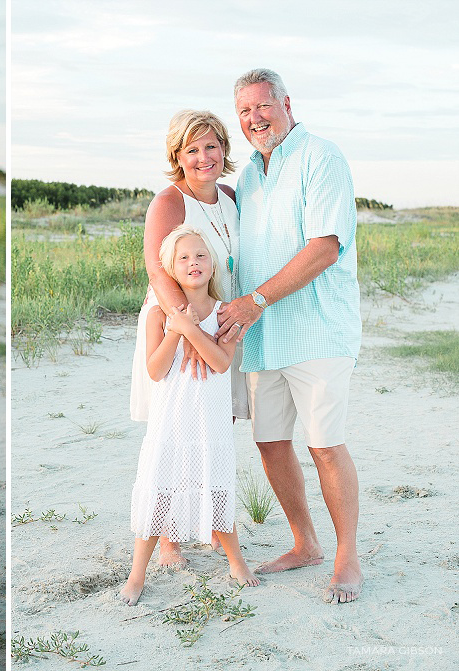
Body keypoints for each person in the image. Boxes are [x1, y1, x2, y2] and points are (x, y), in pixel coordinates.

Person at [216, 68, 363, 604]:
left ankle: (347, 556)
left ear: (285, 103)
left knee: (324, 445)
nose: (254, 119)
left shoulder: (321, 157)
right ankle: (306, 543)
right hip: (262, 338)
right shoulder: (251, 175)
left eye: (262, 107)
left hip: (317, 329)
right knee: (271, 444)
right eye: (244, 113)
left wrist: (255, 300)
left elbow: (325, 246)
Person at [130, 109, 248, 566]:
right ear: (177, 155)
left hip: (220, 317)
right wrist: (188, 328)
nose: (204, 157)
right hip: (178, 323)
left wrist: (217, 326)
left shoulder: (232, 197)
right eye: (192, 149)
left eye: (211, 146)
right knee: (176, 429)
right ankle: (169, 538)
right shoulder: (169, 200)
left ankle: (211, 520)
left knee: (216, 422)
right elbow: (159, 271)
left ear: (224, 149)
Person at [120, 226, 259, 606]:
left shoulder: (224, 313)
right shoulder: (157, 315)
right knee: (159, 488)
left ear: (213, 265)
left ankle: (236, 561)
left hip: (210, 421)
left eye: (200, 255)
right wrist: (175, 329)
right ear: (171, 269)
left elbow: (219, 362)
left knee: (216, 487)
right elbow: (155, 369)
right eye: (183, 258)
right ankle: (137, 574)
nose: (193, 263)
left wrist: (191, 329)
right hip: (170, 420)